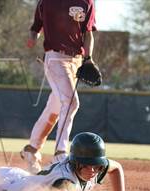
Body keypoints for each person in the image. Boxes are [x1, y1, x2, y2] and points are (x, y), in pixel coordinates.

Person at [21, 0, 98, 174]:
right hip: (55, 57)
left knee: (56, 106)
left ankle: (31, 150)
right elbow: (36, 26)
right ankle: (60, 154)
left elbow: (88, 33)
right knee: (71, 103)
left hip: (76, 61)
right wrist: (33, 38)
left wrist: (88, 59)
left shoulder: (87, 2)